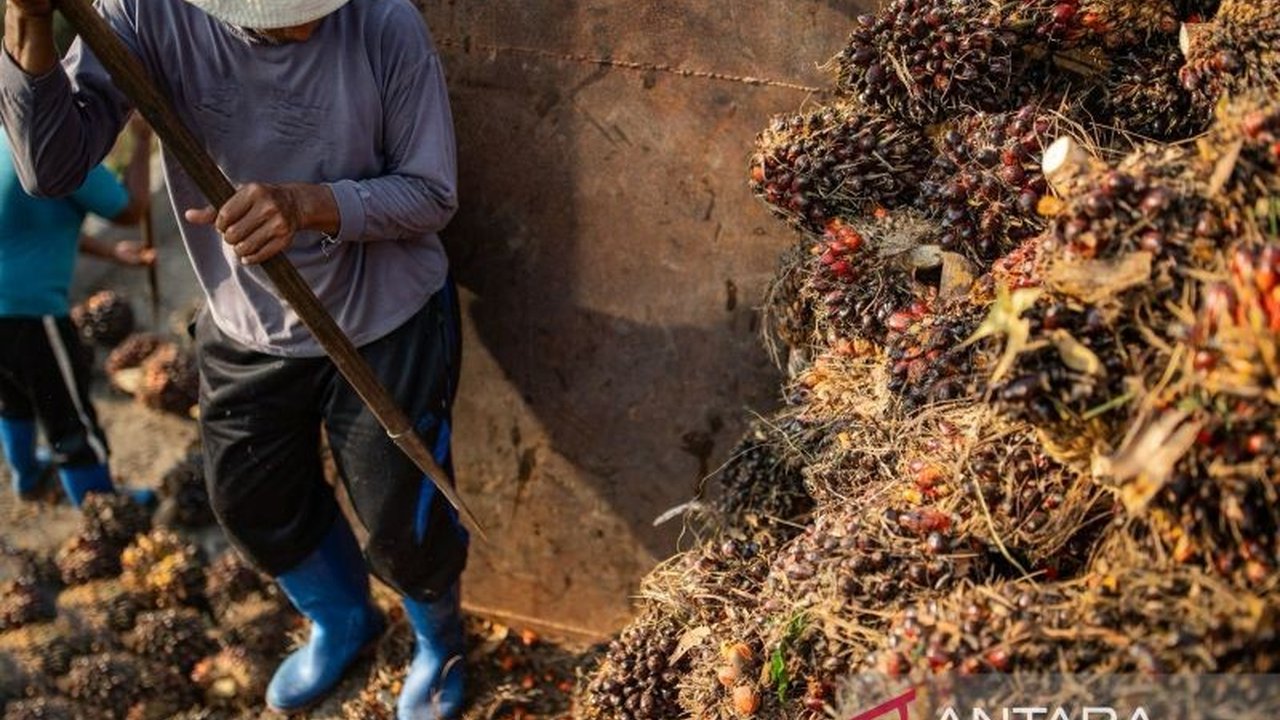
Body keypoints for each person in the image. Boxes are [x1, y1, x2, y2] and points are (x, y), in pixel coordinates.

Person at [0, 0, 469, 717]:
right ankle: (342, 622)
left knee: (408, 524)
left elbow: (432, 193)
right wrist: (28, 26)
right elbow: (52, 169)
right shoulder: (145, 15)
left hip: (385, 319)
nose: (310, 20)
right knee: (252, 502)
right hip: (245, 317)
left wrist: (310, 204)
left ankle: (440, 647)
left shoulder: (383, 22)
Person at [0, 116, 156, 508]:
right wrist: (141, 142)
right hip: (31, 314)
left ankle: (29, 479)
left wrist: (111, 253)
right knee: (68, 413)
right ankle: (103, 509)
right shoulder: (61, 150)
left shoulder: (7, 139)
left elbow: (39, 223)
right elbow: (131, 209)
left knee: (12, 398)